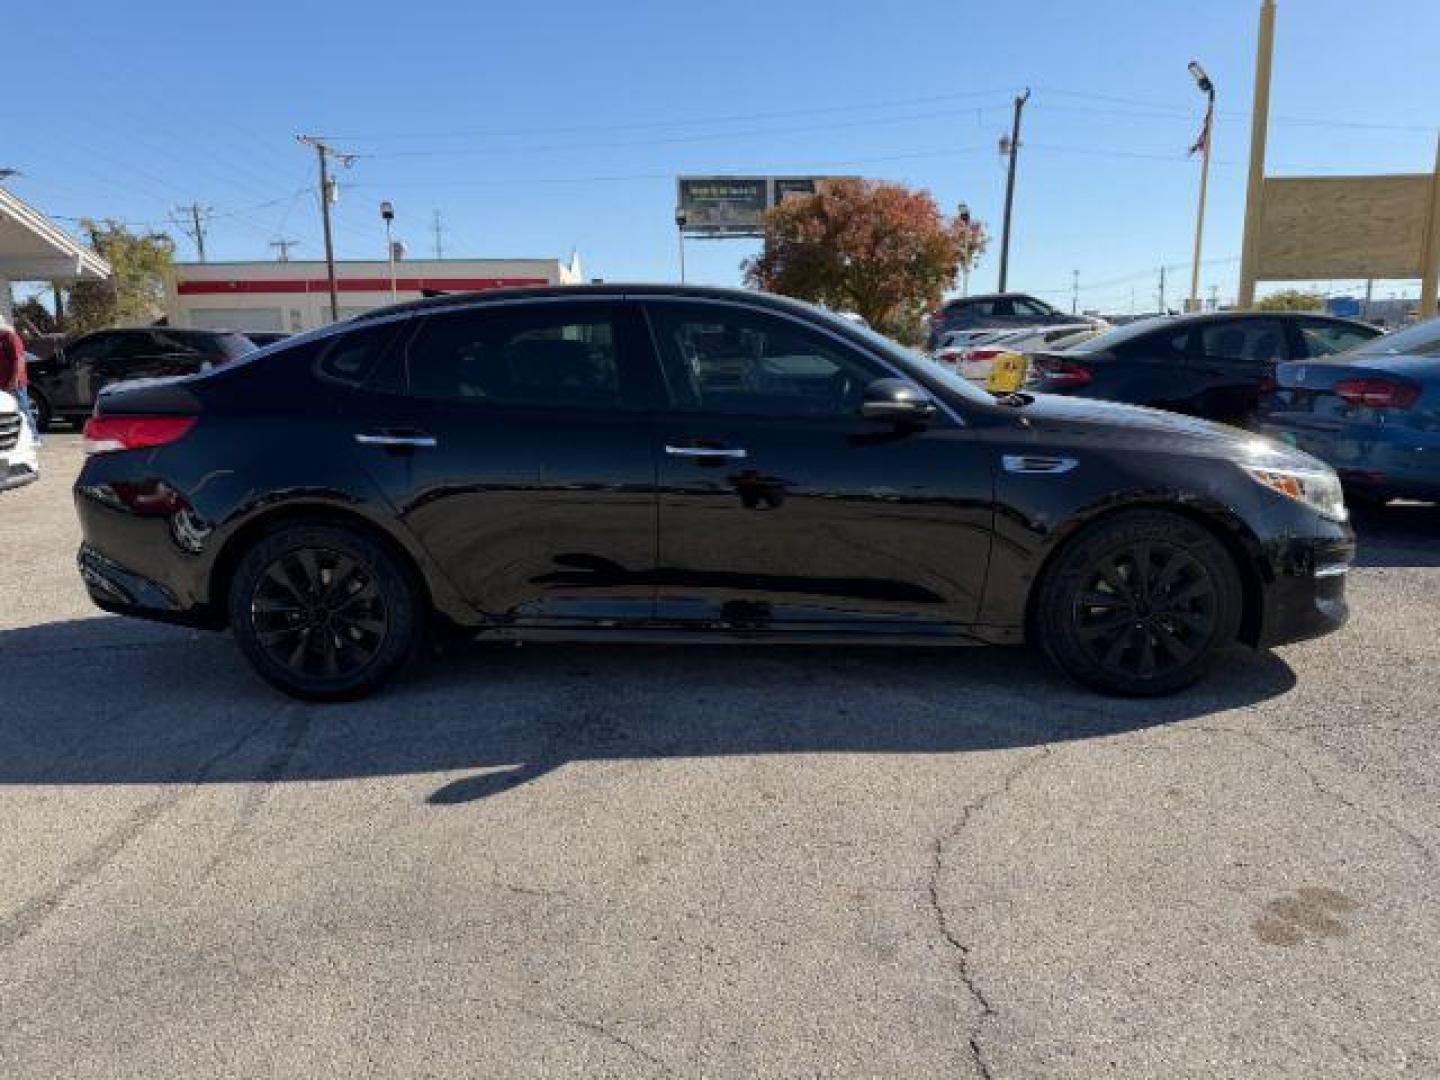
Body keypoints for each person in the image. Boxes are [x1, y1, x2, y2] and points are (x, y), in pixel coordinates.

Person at [0, 320, 40, 442]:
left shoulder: (12, 338)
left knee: (22, 409)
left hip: (15, 383)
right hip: (3, 383)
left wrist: (14, 381)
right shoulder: (1, 340)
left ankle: (34, 437)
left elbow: (19, 360)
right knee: (8, 412)